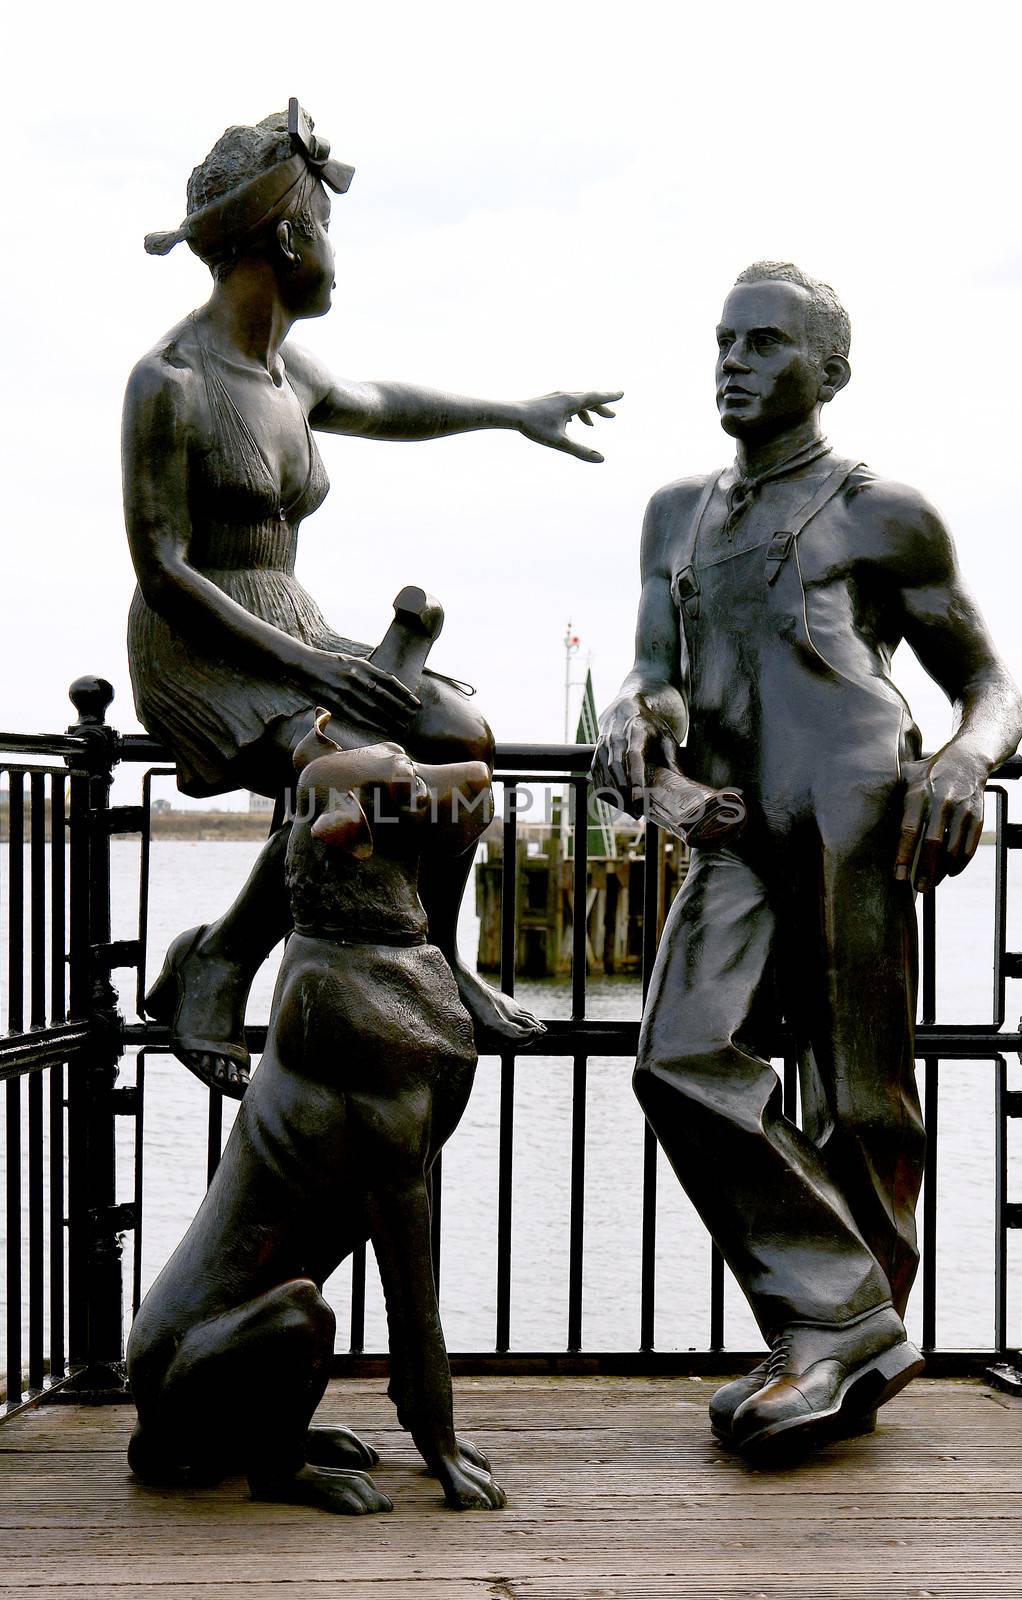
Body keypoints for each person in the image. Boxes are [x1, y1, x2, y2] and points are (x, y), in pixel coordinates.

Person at [593, 261, 1022, 1460]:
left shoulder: (879, 509)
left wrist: (963, 762)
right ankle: (846, 1318)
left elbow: (988, 682)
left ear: (826, 371)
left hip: (852, 802)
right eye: (723, 340)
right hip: (731, 815)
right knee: (677, 1053)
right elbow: (649, 663)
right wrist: (633, 710)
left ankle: (823, 1343)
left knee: (861, 1093)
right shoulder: (671, 511)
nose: (730, 360)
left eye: (763, 343)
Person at [124, 101, 619, 1095]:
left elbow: (383, 405)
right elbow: (161, 567)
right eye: (330, 229)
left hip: (294, 627)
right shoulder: (169, 381)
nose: (339, 255)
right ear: (293, 235)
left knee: (459, 728)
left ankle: (435, 963)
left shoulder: (283, 369)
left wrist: (512, 414)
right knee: (350, 759)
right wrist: (309, 664)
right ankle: (221, 962)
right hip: (202, 646)